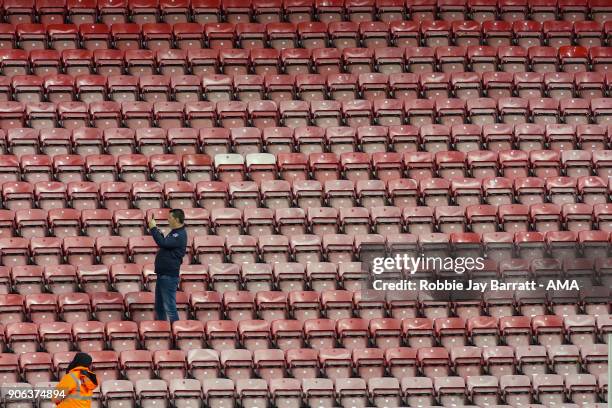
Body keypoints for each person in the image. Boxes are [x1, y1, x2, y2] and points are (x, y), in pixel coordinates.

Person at [149, 208, 187, 323]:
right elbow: (165, 244)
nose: (168, 219)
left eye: (170, 217)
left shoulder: (179, 234)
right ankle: (162, 331)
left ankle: (176, 334)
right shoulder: (175, 232)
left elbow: (162, 243)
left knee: (169, 307)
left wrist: (153, 229)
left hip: (169, 276)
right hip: (163, 274)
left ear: (176, 219)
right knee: (159, 306)